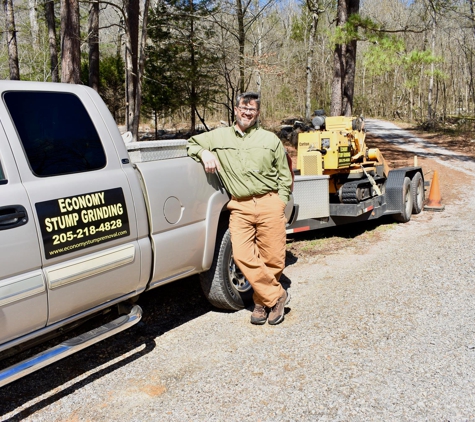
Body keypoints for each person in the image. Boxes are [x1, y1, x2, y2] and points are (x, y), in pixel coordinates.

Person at [187, 92, 293, 325]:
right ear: (235, 110)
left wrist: (280, 202)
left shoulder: (270, 140)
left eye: (252, 110)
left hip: (269, 202)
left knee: (273, 257)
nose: (247, 113)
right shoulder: (219, 137)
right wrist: (204, 152)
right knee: (243, 257)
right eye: (243, 109)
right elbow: (192, 143)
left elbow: (285, 177)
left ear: (257, 113)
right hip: (240, 206)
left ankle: (260, 303)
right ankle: (277, 296)